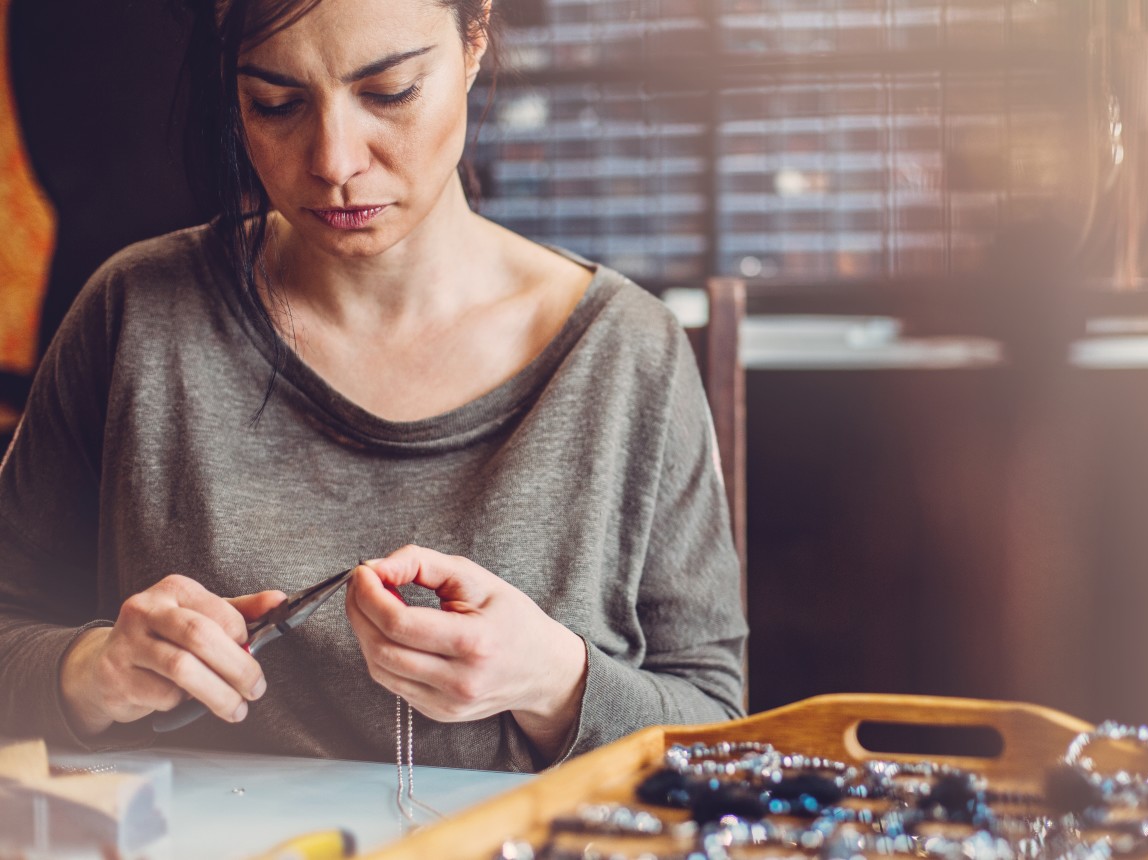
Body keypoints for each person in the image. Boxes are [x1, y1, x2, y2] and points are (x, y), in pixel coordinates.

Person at [0, 0, 746, 772]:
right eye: (275, 104)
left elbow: (722, 730)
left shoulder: (627, 350)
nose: (334, 161)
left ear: (475, 35)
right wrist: (90, 672)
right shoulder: (134, 315)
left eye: (389, 92)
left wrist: (555, 682)